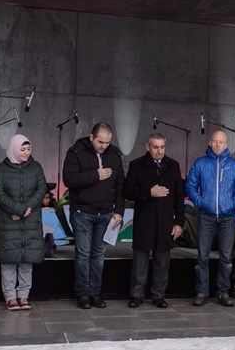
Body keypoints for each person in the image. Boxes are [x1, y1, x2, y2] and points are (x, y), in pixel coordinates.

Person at [63, 121, 125, 309]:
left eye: (107, 142)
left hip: (106, 213)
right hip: (82, 212)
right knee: (83, 253)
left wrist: (119, 211)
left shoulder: (114, 155)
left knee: (98, 255)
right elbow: (69, 179)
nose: (104, 146)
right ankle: (82, 293)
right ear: (91, 137)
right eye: (101, 142)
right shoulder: (76, 152)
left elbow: (121, 185)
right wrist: (95, 175)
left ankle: (95, 293)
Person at [186, 130, 235, 307]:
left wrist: (232, 205)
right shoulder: (200, 163)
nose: (218, 144)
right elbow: (190, 186)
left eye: (221, 142)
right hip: (206, 216)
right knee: (202, 257)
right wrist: (201, 202)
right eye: (215, 141)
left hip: (228, 217)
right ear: (210, 143)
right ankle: (202, 292)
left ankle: (223, 292)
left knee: (226, 258)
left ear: (226, 145)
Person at [123, 133, 184, 308]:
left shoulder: (173, 166)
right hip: (144, 221)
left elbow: (179, 197)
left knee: (162, 261)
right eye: (155, 147)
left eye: (162, 147)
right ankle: (137, 295)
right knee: (140, 262)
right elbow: (127, 191)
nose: (159, 151)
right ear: (147, 147)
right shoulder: (136, 165)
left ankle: (158, 295)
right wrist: (149, 192)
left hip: (165, 222)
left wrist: (179, 222)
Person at [0, 134, 47, 311]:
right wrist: (17, 209)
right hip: (9, 221)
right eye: (22, 149)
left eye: (28, 149)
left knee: (26, 261)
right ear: (14, 149)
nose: (26, 153)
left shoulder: (36, 167)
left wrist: (26, 209)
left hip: (30, 220)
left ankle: (23, 295)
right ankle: (10, 297)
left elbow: (41, 189)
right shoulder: (0, 169)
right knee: (8, 261)